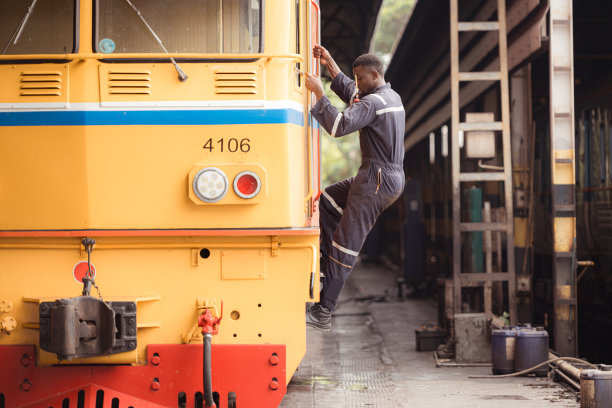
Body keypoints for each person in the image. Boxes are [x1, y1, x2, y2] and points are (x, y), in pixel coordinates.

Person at [303, 45, 405, 331]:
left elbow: (337, 126)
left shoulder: (374, 104)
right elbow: (352, 92)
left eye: (360, 78)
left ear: (375, 74)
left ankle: (324, 311)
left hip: (376, 179)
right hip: (379, 176)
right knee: (328, 201)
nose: (356, 83)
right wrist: (330, 64)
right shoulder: (387, 96)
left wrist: (319, 93)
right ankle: (324, 267)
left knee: (345, 244)